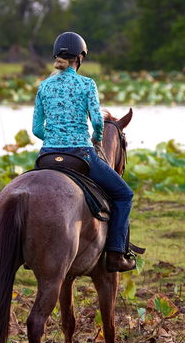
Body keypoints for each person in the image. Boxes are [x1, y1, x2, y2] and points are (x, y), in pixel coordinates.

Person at [32, 31, 136, 272]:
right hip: (81, 155)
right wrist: (97, 140)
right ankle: (116, 254)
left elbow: (37, 129)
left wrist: (56, 137)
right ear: (80, 58)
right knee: (123, 195)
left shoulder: (44, 86)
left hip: (46, 157)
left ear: (57, 56)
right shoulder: (87, 84)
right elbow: (98, 123)